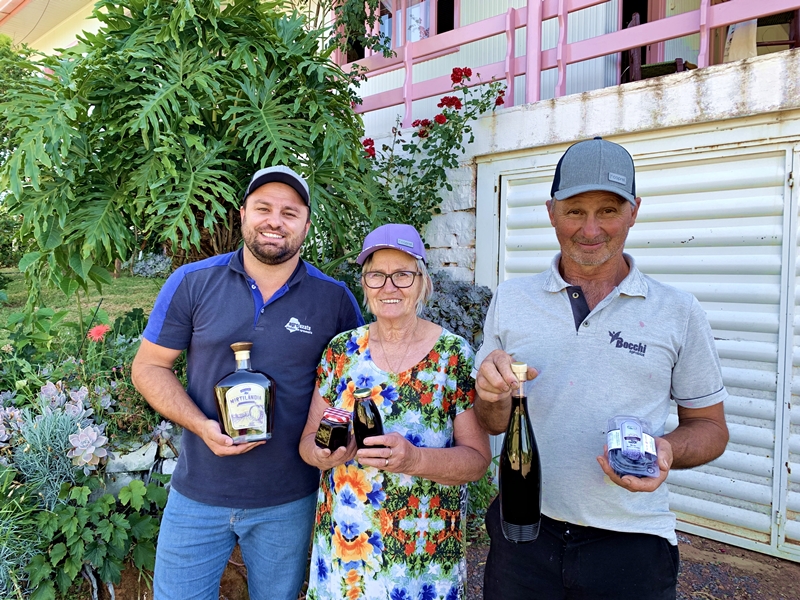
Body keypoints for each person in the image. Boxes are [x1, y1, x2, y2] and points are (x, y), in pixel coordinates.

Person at [473, 138, 730, 600]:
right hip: (523, 533)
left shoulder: (678, 310)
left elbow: (710, 427)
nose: (590, 229)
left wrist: (666, 450)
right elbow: (492, 423)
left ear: (634, 211)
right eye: (574, 211)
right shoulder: (511, 299)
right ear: (551, 212)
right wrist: (490, 396)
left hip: (632, 540)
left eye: (608, 210)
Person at [131, 165, 364, 600]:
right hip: (198, 493)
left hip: (289, 500)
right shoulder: (192, 283)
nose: (275, 221)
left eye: (290, 213)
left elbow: (355, 383)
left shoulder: (333, 300)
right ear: (242, 215)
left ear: (306, 225)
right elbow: (148, 367)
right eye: (264, 208)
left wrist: (340, 439)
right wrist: (201, 425)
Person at [298, 223, 492, 600]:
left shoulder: (453, 357)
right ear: (364, 284)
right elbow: (308, 442)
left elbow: (477, 460)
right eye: (377, 275)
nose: (389, 287)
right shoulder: (341, 352)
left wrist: (414, 459)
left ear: (422, 282)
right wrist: (324, 454)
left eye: (403, 274)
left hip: (424, 561)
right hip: (346, 556)